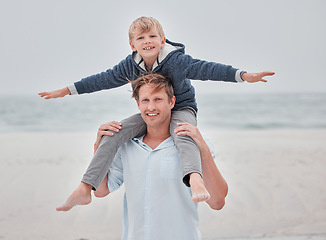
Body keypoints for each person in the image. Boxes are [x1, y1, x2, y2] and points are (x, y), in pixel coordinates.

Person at [39, 16, 274, 211]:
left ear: (162, 40)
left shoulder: (177, 61)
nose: (147, 41)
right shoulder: (129, 66)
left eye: (152, 36)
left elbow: (208, 69)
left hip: (182, 108)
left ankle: (195, 178)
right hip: (151, 112)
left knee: (183, 134)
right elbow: (103, 79)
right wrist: (67, 90)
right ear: (133, 45)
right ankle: (84, 188)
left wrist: (243, 75)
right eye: (141, 38)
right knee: (112, 134)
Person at [93, 74, 228, 240]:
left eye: (158, 99)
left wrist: (202, 147)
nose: (151, 107)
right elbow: (100, 191)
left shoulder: (194, 144)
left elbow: (217, 202)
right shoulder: (127, 145)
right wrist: (99, 146)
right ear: (138, 104)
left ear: (171, 102)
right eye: (145, 100)